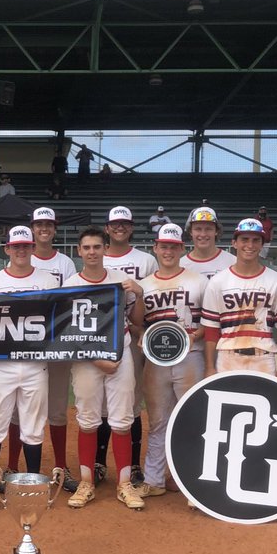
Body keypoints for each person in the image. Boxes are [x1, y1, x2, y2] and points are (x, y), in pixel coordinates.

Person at [65, 226, 145, 510]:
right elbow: (67, 333)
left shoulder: (120, 281)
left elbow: (136, 320)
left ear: (104, 249)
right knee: (87, 419)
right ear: (79, 251)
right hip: (87, 357)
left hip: (119, 350)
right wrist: (97, 359)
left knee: (122, 420)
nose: (92, 252)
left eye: (97, 247)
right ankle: (86, 481)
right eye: (86, 247)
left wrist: (140, 292)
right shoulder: (71, 284)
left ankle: (124, 484)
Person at [0, 227, 56, 508]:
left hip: (36, 364)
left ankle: (33, 483)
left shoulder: (48, 280)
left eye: (26, 246)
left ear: (33, 247)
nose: (21, 251)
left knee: (33, 427)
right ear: (7, 249)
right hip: (2, 365)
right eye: (15, 246)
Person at [138, 223, 206, 498]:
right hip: (156, 361)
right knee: (157, 421)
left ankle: (191, 480)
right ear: (155, 248)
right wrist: (142, 337)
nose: (168, 251)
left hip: (191, 356)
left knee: (191, 418)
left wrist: (192, 338)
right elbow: (138, 323)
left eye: (173, 247)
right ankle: (153, 479)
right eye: (163, 246)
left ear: (182, 249)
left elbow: (210, 322)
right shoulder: (145, 285)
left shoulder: (199, 281)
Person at [96, 206, 156, 484]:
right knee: (101, 404)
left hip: (133, 337)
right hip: (101, 338)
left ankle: (132, 465)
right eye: (115, 224)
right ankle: (98, 462)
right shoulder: (96, 256)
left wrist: (141, 328)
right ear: (107, 228)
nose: (120, 228)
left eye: (125, 224)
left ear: (131, 228)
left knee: (131, 403)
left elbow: (150, 300)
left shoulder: (145, 260)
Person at [201, 218, 277, 378]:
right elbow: (211, 328)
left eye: (255, 240)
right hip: (228, 357)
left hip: (263, 357)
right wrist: (209, 366)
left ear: (262, 244)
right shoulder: (218, 281)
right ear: (234, 243)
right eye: (244, 239)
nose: (250, 245)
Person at [29, 207, 77, 481]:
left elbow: (69, 303)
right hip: (28, 345)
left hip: (57, 342)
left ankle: (61, 466)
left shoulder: (65, 263)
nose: (44, 229)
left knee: (57, 408)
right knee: (19, 409)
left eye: (48, 224)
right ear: (33, 228)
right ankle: (13, 465)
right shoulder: (21, 258)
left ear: (55, 228)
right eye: (39, 224)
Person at [181, 206, 235, 280]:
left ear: (216, 231)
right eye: (198, 229)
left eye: (208, 229)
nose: (203, 234)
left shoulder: (233, 262)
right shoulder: (180, 265)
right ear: (190, 231)